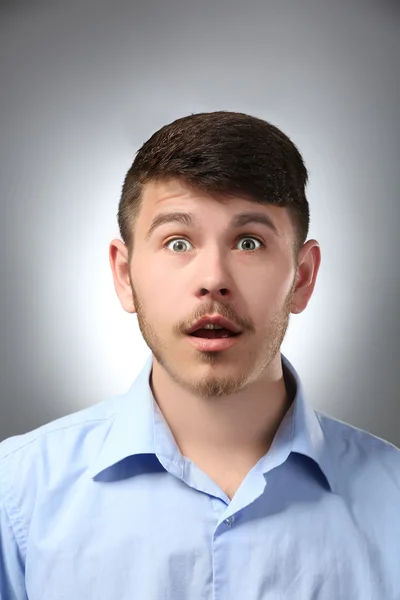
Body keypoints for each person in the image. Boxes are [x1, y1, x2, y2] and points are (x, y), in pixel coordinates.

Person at [0, 111, 399, 599]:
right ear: (125, 275)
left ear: (304, 277)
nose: (213, 277)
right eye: (178, 242)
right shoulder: (15, 493)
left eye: (249, 242)